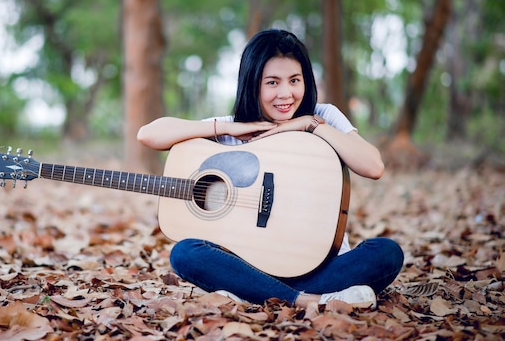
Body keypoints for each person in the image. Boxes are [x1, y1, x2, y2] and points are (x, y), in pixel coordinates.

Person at [137, 29, 403, 308]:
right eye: (272, 82)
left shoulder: (323, 116)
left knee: (386, 253)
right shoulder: (233, 129)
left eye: (294, 80)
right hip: (252, 264)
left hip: (322, 265)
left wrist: (310, 125)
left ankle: (252, 292)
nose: (285, 94)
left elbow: (373, 166)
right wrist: (225, 126)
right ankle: (308, 300)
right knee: (184, 253)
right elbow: (148, 134)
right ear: (252, 84)